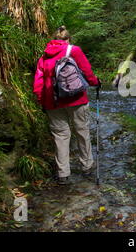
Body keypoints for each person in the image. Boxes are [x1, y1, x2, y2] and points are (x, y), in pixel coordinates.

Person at [33, 26, 101, 185]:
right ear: (68, 39)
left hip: (53, 102)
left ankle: (63, 173)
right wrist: (95, 83)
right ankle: (87, 165)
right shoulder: (74, 50)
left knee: (61, 136)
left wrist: (42, 101)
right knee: (82, 131)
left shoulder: (44, 56)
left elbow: (38, 83)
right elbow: (87, 71)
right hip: (76, 99)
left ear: (53, 40)